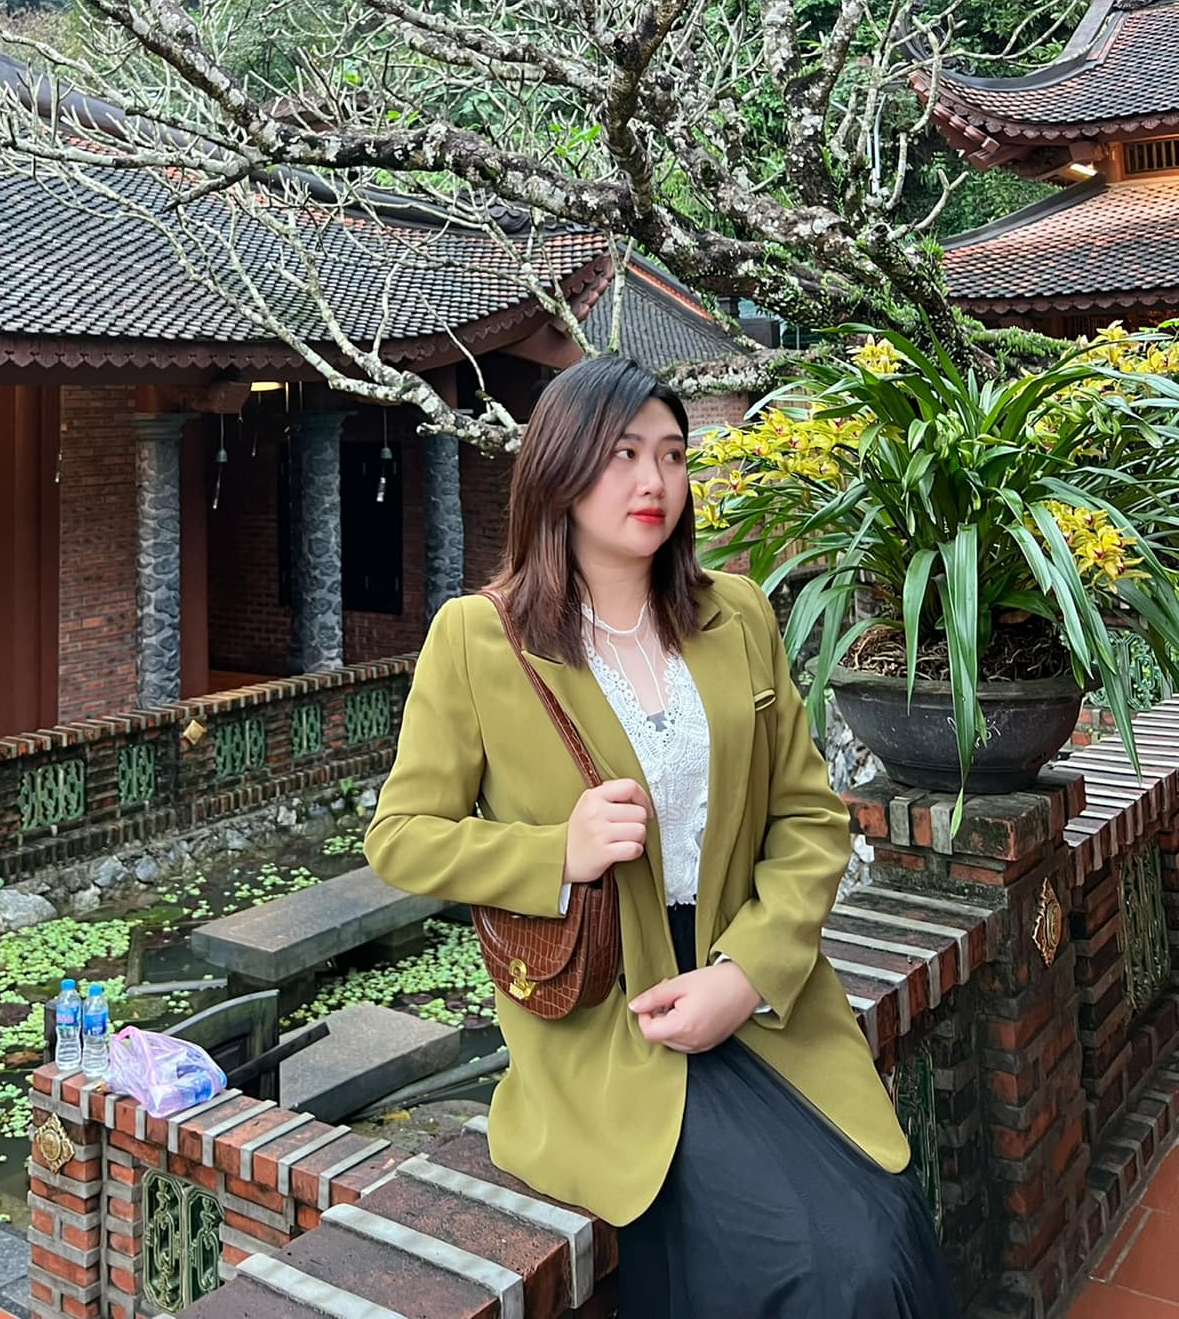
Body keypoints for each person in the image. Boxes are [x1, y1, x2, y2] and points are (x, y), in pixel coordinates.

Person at [364, 355, 959, 1318]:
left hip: (751, 984)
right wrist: (554, 852)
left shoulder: (736, 614)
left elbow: (809, 817)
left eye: (673, 455)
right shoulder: (479, 639)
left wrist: (747, 974)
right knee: (814, 1265)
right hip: (609, 1016)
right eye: (624, 454)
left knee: (881, 1230)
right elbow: (400, 837)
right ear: (560, 468)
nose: (655, 482)